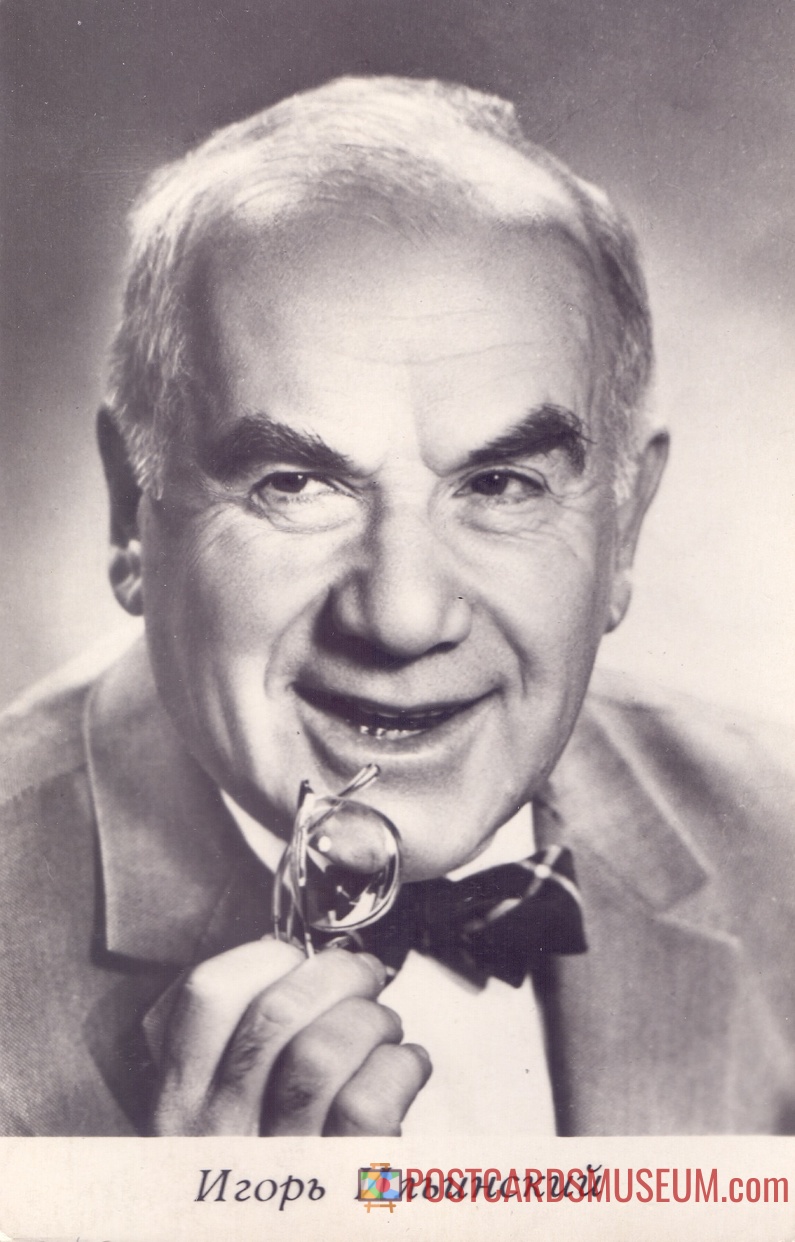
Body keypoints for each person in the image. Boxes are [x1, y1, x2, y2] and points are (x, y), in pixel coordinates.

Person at [1, 75, 793, 1138]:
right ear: (129, 516)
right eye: (293, 485)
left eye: (501, 485)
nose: (404, 618)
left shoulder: (775, 835)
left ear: (625, 529)